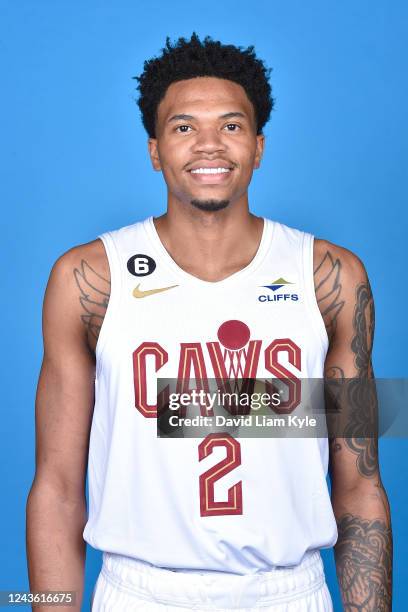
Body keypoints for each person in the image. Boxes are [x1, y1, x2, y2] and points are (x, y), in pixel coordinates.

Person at [26, 33, 393, 611]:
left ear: (258, 145)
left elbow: (360, 483)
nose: (209, 146)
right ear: (154, 149)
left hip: (290, 590)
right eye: (183, 127)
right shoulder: (88, 277)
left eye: (230, 125)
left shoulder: (333, 276)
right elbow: (56, 487)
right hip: (138, 591)